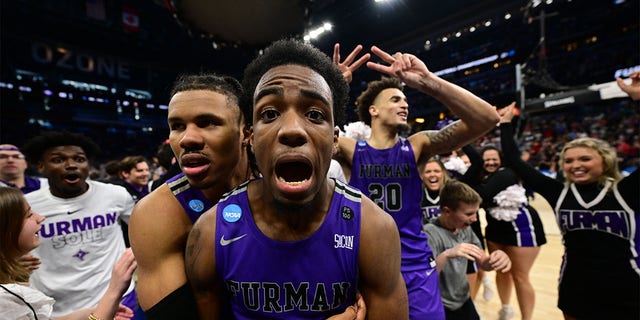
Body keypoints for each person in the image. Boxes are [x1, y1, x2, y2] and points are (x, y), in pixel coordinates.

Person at [185, 39, 408, 319]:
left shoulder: (373, 228)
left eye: (315, 114)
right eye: (270, 113)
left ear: (335, 140)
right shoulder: (210, 233)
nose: (292, 130)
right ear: (251, 138)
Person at [129, 72, 363, 320]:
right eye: (177, 126)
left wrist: (324, 92)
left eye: (208, 122)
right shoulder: (156, 214)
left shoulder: (280, 182)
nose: (188, 139)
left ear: (246, 133)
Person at [333, 44, 500, 319]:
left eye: (405, 99)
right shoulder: (351, 150)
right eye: (395, 99)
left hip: (414, 263)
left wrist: (429, 82)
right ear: (373, 110)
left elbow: (487, 118)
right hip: (365, 263)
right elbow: (314, 135)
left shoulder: (418, 145)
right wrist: (331, 87)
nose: (405, 104)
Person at [498, 103, 639, 320]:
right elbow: (516, 162)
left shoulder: (624, 192)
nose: (575, 165)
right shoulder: (559, 193)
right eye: (568, 160)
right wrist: (505, 124)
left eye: (585, 159)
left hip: (624, 285)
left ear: (605, 160)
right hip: (575, 284)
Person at [19, 131, 138, 318]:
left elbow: (143, 231)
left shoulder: (116, 195)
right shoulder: (26, 205)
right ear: (41, 166)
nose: (71, 165)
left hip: (119, 299)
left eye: (79, 159)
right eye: (58, 160)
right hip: (57, 308)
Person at [0, 187, 138, 320]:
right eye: (29, 215)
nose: (40, 217)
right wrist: (114, 292)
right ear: (6, 229)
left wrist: (90, 312)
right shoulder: (6, 298)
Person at [459, 140, 546, 320]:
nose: (490, 163)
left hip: (521, 227)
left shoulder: (508, 173)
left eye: (494, 159)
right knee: (502, 270)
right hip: (495, 228)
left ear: (501, 160)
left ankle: (526, 318)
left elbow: (481, 195)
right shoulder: (480, 178)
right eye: (486, 160)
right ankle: (506, 310)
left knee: (520, 275)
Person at [424, 180, 511, 320]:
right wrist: (447, 254)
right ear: (447, 211)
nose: (475, 219)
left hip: (463, 300)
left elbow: (483, 262)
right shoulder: (430, 233)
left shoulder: (465, 228)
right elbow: (426, 274)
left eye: (476, 213)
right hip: (439, 304)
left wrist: (497, 258)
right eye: (469, 214)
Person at [419, 158, 448, 226]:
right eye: (428, 172)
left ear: (443, 173)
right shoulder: (416, 196)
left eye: (436, 171)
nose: (432, 175)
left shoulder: (453, 194)